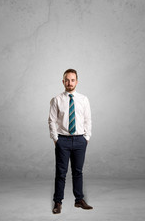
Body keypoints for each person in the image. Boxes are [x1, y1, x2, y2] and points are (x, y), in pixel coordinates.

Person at [48, 68, 93, 214]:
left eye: (72, 80)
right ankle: (57, 202)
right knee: (61, 173)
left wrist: (86, 138)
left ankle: (79, 200)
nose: (69, 83)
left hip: (80, 140)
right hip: (63, 141)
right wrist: (56, 139)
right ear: (63, 81)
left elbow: (88, 120)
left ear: (77, 82)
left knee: (78, 172)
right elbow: (51, 120)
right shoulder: (57, 99)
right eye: (67, 80)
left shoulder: (83, 99)